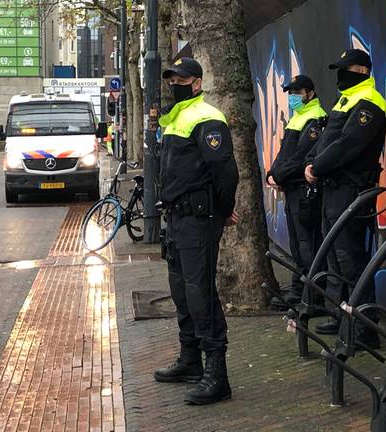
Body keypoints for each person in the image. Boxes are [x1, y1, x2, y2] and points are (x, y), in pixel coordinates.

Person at [153, 57, 239, 406]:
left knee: (200, 293)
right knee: (181, 290)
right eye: (172, 78)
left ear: (198, 83)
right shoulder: (175, 119)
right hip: (176, 219)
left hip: (198, 220)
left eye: (183, 78)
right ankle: (189, 360)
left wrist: (221, 211)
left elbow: (225, 173)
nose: (176, 83)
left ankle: (216, 375)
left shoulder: (208, 117)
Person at [303, 49, 386, 347]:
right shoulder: (347, 99)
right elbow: (328, 140)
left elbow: (348, 145)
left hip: (351, 190)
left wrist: (317, 166)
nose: (341, 74)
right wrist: (311, 164)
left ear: (362, 70)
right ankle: (343, 316)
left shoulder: (370, 103)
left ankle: (365, 329)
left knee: (351, 259)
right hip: (333, 188)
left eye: (346, 68)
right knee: (335, 255)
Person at [265, 75, 327, 309]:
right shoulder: (299, 118)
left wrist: (277, 176)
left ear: (309, 93)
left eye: (296, 92)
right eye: (290, 93)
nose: (292, 97)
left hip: (305, 191)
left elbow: (301, 157)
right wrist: (273, 173)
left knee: (308, 244)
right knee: (297, 245)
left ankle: (314, 297)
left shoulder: (316, 119)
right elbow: (285, 155)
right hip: (292, 189)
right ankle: (300, 290)